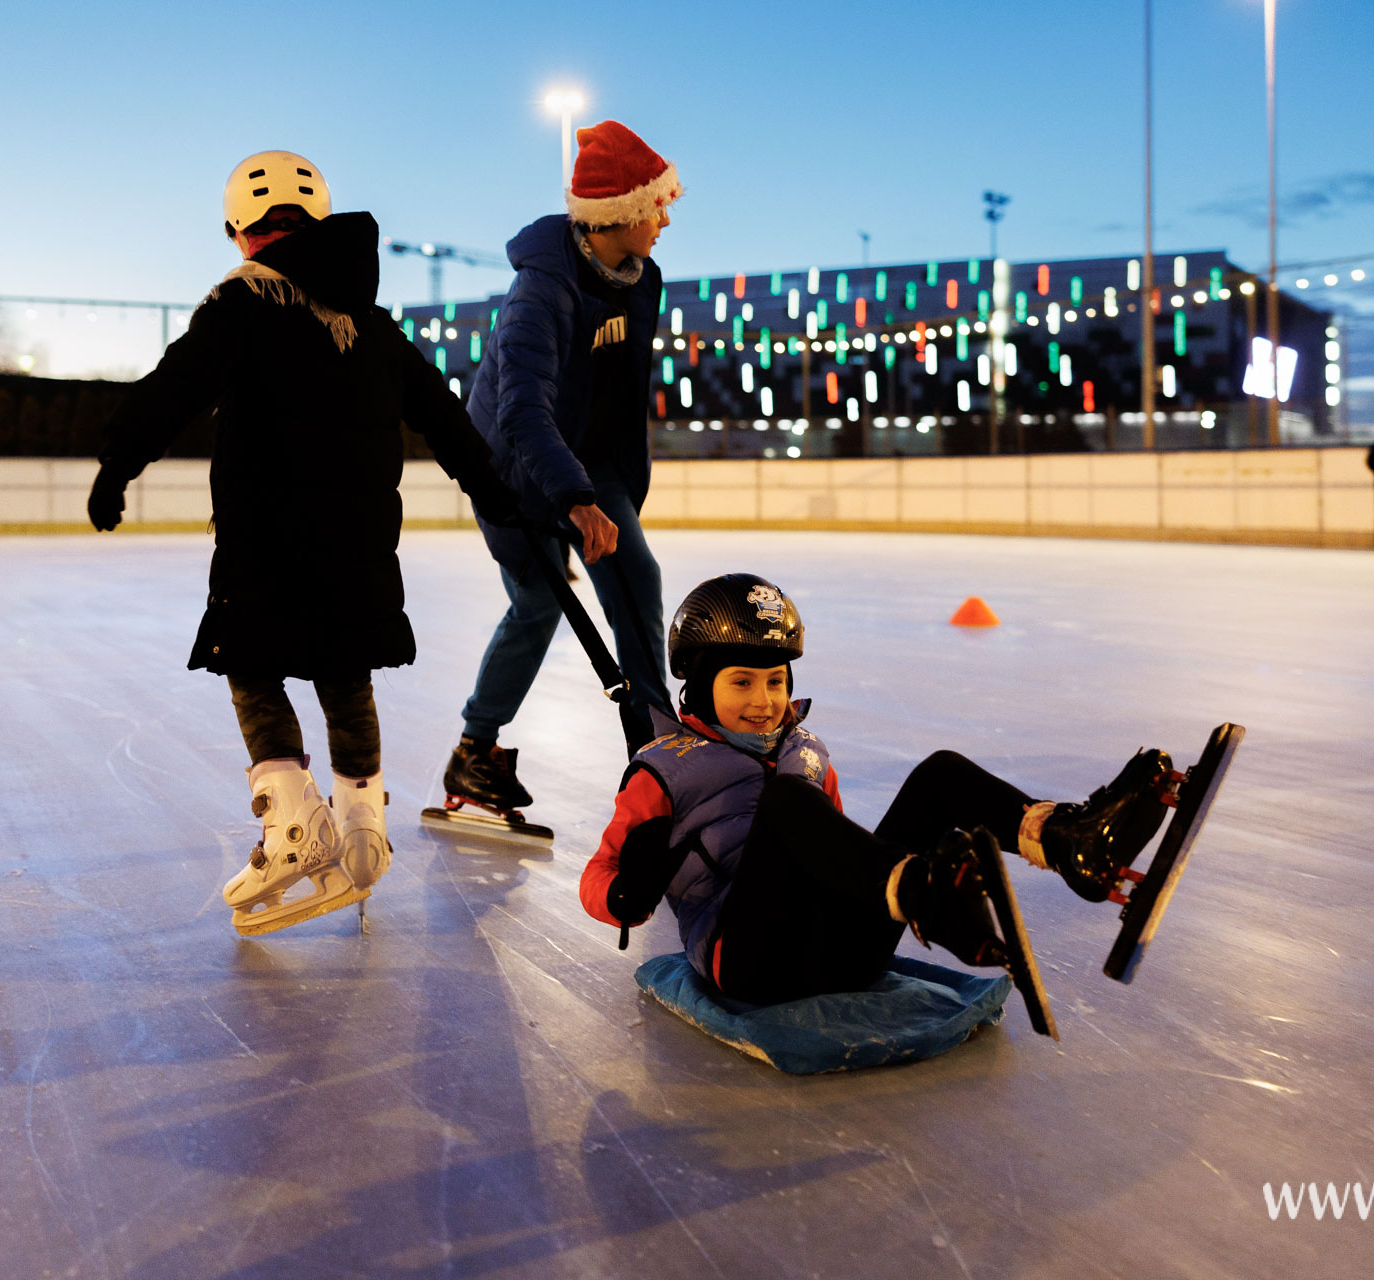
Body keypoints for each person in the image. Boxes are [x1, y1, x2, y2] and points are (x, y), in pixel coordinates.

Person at [88, 150, 520, 934]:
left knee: (251, 669)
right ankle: (362, 827)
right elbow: (446, 420)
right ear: (317, 223)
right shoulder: (377, 326)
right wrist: (498, 493)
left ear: (238, 232)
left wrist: (119, 462)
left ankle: (293, 826)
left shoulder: (242, 302)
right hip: (360, 548)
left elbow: (175, 385)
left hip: (264, 540)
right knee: (344, 676)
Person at [577, 574, 1180, 1005]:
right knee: (789, 801)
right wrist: (626, 896)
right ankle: (927, 894)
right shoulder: (663, 769)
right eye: (741, 683)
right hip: (751, 961)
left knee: (939, 775)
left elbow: (838, 852)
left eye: (776, 681)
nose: (763, 703)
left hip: (845, 952)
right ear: (700, 688)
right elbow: (595, 878)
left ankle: (1074, 844)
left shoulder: (804, 753)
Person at [440, 120, 682, 823]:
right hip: (514, 470)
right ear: (622, 214)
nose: (665, 219)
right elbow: (522, 411)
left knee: (637, 579)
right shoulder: (537, 296)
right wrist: (574, 501)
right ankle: (475, 749)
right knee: (539, 606)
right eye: (657, 205)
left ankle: (657, 753)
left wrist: (606, 491)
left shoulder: (642, 279)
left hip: (591, 463)